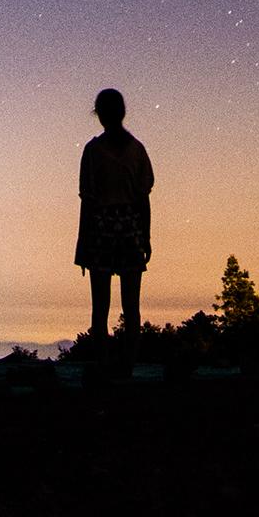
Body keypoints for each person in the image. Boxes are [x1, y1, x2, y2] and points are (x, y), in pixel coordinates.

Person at [73, 86, 151, 343]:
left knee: (100, 307)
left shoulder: (93, 151)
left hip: (101, 229)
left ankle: (102, 364)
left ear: (100, 115)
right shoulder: (137, 150)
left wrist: (83, 244)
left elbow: (88, 200)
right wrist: (146, 237)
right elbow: (143, 199)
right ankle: (128, 363)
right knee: (131, 306)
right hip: (130, 229)